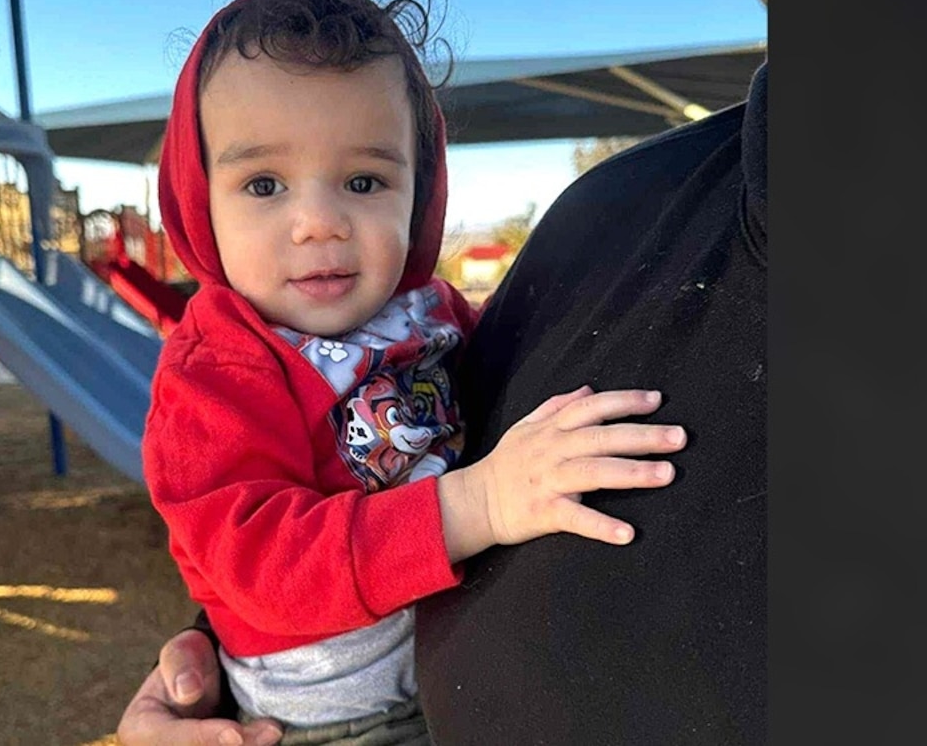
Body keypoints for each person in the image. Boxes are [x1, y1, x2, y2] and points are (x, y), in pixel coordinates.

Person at [119, 55, 768, 746]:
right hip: (330, 720)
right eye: (264, 184)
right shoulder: (215, 370)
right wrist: (477, 505)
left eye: (364, 181)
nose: (319, 221)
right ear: (198, 203)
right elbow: (255, 560)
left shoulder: (428, 310)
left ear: (420, 192)